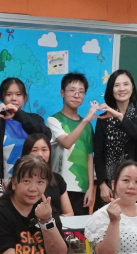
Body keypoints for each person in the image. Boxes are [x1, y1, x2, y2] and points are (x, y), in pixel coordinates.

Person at [92, 70, 137, 210]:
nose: (121, 89)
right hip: (110, 183)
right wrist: (102, 184)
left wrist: (119, 116)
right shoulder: (103, 119)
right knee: (108, 219)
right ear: (111, 89)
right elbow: (98, 155)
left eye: (126, 84)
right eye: (117, 85)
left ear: (132, 87)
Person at [84, 160, 137, 254]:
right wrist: (114, 221)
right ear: (113, 184)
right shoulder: (101, 216)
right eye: (126, 180)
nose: (132, 186)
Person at [0, 77, 52, 183]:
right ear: (1, 98)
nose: (14, 98)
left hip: (31, 181)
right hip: (1, 183)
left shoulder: (34, 119)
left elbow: (47, 135)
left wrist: (18, 115)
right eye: (8, 94)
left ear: (25, 97)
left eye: (18, 94)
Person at [47, 73, 99, 215]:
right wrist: (85, 121)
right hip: (59, 186)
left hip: (81, 188)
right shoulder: (53, 120)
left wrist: (90, 188)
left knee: (80, 227)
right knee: (61, 225)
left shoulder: (87, 126)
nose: (77, 95)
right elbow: (67, 143)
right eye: (72, 90)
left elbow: (89, 157)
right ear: (62, 93)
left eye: (81, 92)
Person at [22, 133, 74, 216]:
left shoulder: (57, 179)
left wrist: (53, 220)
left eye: (44, 150)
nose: (40, 154)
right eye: (34, 150)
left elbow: (69, 213)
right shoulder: (20, 179)